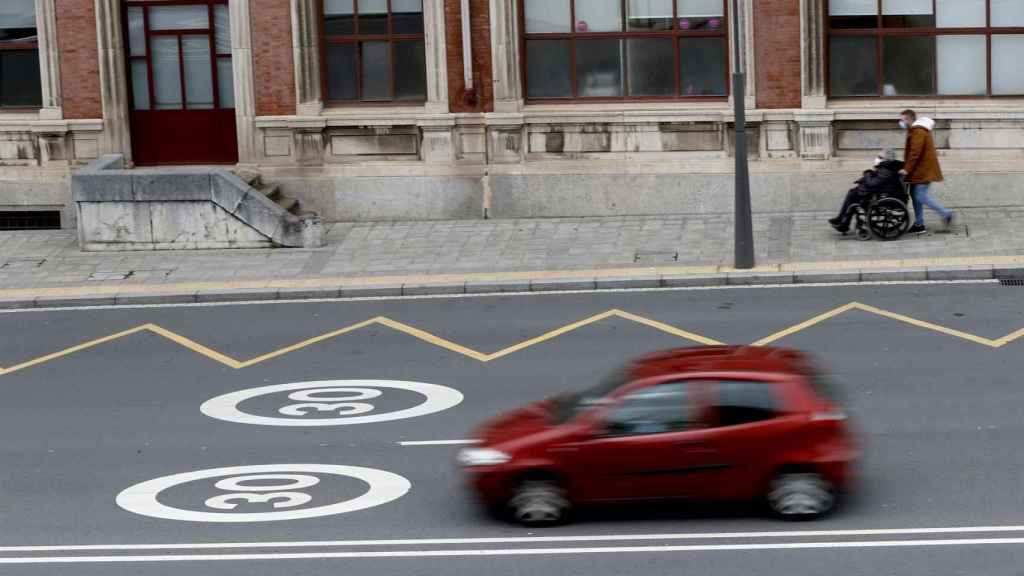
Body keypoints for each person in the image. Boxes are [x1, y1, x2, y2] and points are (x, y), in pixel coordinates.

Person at [899, 110, 954, 234]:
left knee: (920, 196)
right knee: (915, 196)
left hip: (923, 171)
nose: (901, 122)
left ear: (909, 119)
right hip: (919, 170)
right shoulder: (916, 130)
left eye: (902, 119)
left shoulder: (918, 131)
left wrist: (906, 169)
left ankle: (946, 214)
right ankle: (919, 224)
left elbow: (915, 153)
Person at [829, 149, 903, 234]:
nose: (877, 158)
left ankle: (844, 222)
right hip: (880, 192)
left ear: (886, 159)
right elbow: (876, 181)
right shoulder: (886, 167)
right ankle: (843, 221)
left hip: (881, 195)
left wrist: (867, 173)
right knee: (852, 194)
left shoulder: (886, 170)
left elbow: (872, 183)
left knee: (852, 195)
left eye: (879, 157)